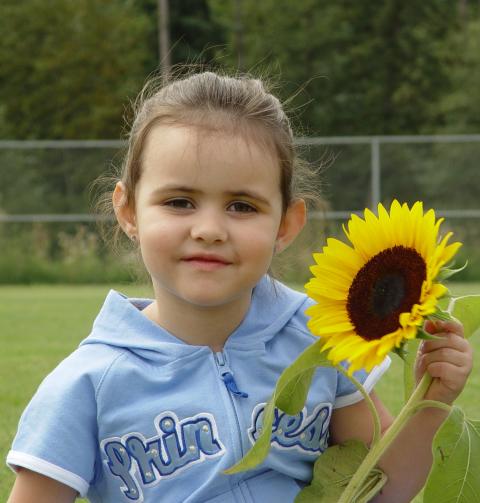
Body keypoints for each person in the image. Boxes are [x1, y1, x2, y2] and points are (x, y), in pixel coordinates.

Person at [6, 72, 472, 503]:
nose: (209, 229)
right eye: (180, 201)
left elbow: (383, 490)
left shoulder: (320, 339)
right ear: (128, 212)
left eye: (242, 206)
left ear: (286, 223)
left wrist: (429, 403)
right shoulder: (89, 382)